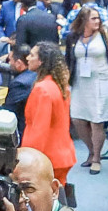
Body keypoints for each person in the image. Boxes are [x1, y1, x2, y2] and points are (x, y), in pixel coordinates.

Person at [64, 6, 108, 174]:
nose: (97, 21)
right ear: (83, 20)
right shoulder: (72, 37)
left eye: (98, 18)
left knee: (97, 121)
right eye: (93, 18)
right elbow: (68, 60)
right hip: (80, 82)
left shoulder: (105, 35)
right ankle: (91, 150)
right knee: (78, 120)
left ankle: (96, 158)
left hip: (102, 81)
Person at [19, 41, 76, 191]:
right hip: (63, 154)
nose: (27, 58)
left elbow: (39, 130)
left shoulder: (42, 89)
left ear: (41, 61)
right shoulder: (60, 84)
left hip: (47, 158)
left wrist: (27, 160)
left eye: (32, 55)